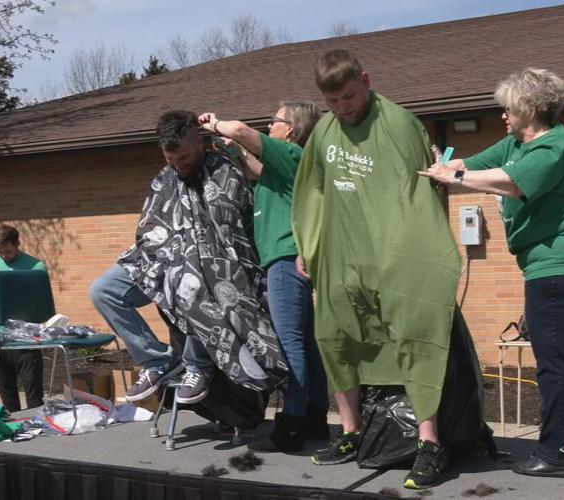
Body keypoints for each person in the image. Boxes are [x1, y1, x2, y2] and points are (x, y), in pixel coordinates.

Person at [292, 49, 482, 489]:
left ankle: (430, 443)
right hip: (343, 254)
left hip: (397, 254)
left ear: (367, 79)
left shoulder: (399, 125)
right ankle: (351, 433)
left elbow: (423, 195)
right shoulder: (324, 132)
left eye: (350, 96)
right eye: (334, 101)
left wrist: (416, 256)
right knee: (336, 338)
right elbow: (313, 191)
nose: (344, 108)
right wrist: (310, 244)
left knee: (415, 339)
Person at [419, 67, 564, 478]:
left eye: (509, 108)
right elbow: (474, 165)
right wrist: (445, 164)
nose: (503, 115)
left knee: (553, 359)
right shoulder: (515, 144)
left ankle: (558, 454)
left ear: (529, 107)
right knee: (562, 356)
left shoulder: (552, 147)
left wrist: (454, 176)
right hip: (548, 261)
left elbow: (509, 184)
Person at [91, 110, 288, 407]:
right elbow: (151, 228)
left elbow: (238, 231)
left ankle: (198, 366)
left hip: (218, 267)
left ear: (199, 143)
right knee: (104, 290)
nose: (178, 166)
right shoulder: (166, 178)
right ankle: (157, 360)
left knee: (193, 280)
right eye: (171, 161)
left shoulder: (227, 171)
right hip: (162, 258)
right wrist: (167, 252)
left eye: (184, 158)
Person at [197, 102, 330, 452]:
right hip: (289, 259)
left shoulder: (290, 153)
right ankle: (315, 417)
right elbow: (254, 168)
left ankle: (292, 425)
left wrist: (215, 124)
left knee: (290, 344)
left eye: (275, 121)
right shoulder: (286, 165)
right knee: (307, 344)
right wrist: (231, 150)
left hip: (285, 260)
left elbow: (241, 130)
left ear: (293, 130)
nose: (270, 125)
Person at [0, 225, 47, 411]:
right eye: (1, 252)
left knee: (33, 391)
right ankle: (14, 428)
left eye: (9, 251)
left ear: (18, 244)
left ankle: (39, 428)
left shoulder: (35, 266)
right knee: (6, 391)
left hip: (25, 335)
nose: (5, 256)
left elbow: (40, 302)